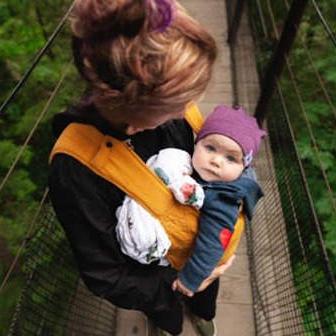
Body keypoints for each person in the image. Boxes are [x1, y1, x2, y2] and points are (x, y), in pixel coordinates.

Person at [48, 0, 235, 335]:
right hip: (153, 280)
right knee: (168, 317)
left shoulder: (171, 113)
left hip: (200, 245)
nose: (189, 107)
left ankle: (203, 313)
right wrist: (178, 284)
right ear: (137, 120)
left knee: (205, 299)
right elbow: (105, 273)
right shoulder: (75, 169)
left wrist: (212, 256)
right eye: (178, 104)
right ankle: (171, 324)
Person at [114, 105, 265, 297]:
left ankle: (204, 315)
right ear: (197, 143)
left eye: (230, 159)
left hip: (201, 265)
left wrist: (191, 279)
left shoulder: (224, 199)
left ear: (243, 168)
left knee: (204, 297)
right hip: (191, 252)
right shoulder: (203, 174)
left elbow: (213, 243)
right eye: (210, 148)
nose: (216, 161)